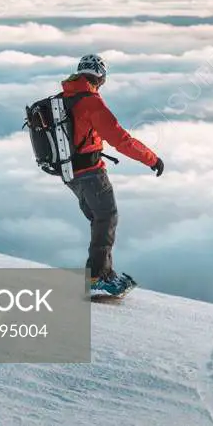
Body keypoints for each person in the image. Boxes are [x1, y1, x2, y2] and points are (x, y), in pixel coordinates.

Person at [60, 54, 164, 296]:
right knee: (107, 217)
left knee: (99, 220)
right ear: (101, 77)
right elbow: (121, 139)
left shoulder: (66, 98)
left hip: (69, 174)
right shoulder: (91, 102)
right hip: (90, 173)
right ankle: (98, 276)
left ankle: (100, 272)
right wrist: (152, 159)